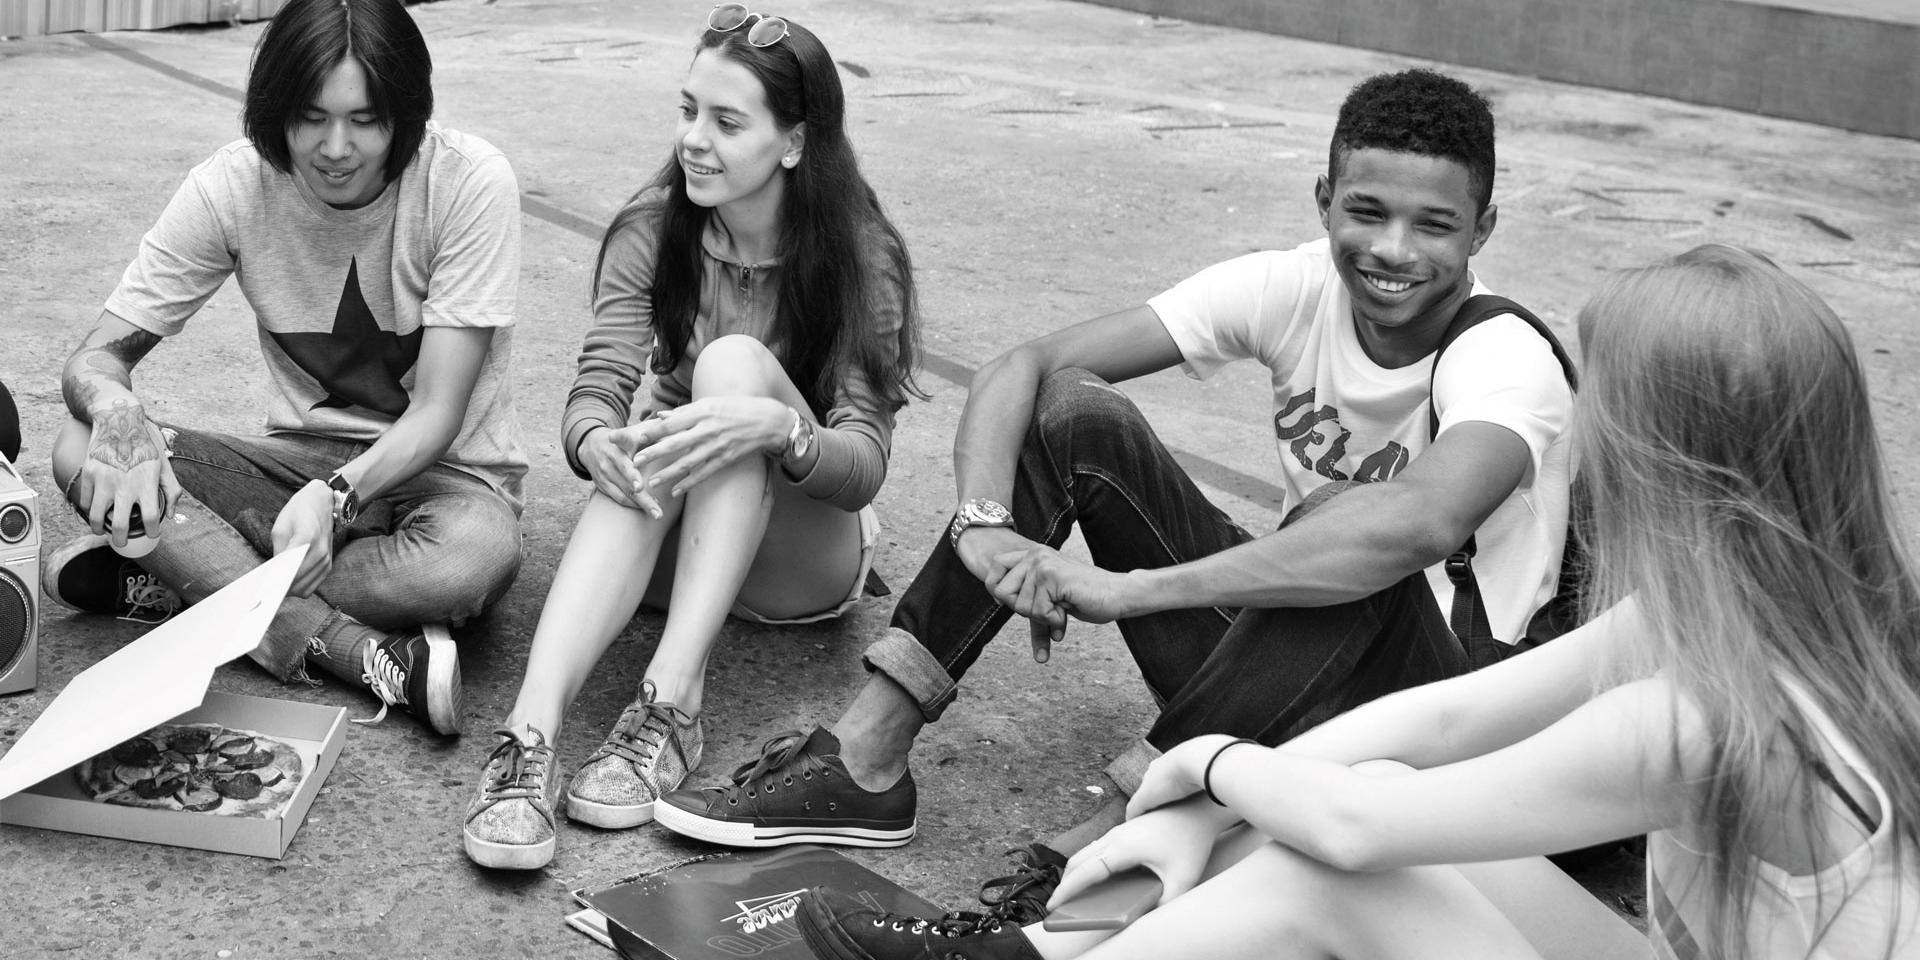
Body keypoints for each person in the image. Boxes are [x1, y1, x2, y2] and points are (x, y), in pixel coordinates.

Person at [797, 244, 1920, 960]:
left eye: (1607, 412)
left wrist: (1203, 768)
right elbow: (1432, 732)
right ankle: (1048, 948)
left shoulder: (1699, 716)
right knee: (1313, 803)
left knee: (1328, 868)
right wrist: (1197, 806)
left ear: (1667, 459)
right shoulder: (1787, 621)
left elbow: (1359, 825)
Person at [655, 66, 1574, 905]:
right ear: (1326, 200)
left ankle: (1123, 831)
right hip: (1289, 670)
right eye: (1367, 212)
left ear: (1483, 229)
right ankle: (866, 760)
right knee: (1071, 413)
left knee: (1347, 530)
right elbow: (1026, 365)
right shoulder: (1291, 288)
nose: (1393, 249)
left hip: (1439, 726)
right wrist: (983, 525)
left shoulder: (1504, 356)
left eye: (1435, 226)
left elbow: (1415, 529)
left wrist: (1131, 591)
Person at [459, 4, 920, 871]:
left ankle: (671, 702)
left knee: (734, 371)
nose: (693, 141)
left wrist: (781, 426)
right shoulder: (655, 226)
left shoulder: (859, 253)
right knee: (652, 434)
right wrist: (595, 438)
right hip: (672, 551)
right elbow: (596, 387)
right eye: (688, 111)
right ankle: (527, 740)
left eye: (727, 122)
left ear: (792, 143)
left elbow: (864, 465)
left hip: (800, 558)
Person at [46, 0, 526, 736]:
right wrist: (118, 414)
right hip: (294, 472)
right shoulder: (233, 186)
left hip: (448, 480)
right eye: (311, 118)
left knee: (470, 562)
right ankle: (357, 650)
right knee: (83, 448)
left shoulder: (466, 183)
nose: (336, 147)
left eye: (365, 120)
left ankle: (190, 583)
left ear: (406, 114)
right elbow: (96, 357)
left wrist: (338, 499)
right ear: (276, 112)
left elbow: (437, 413)